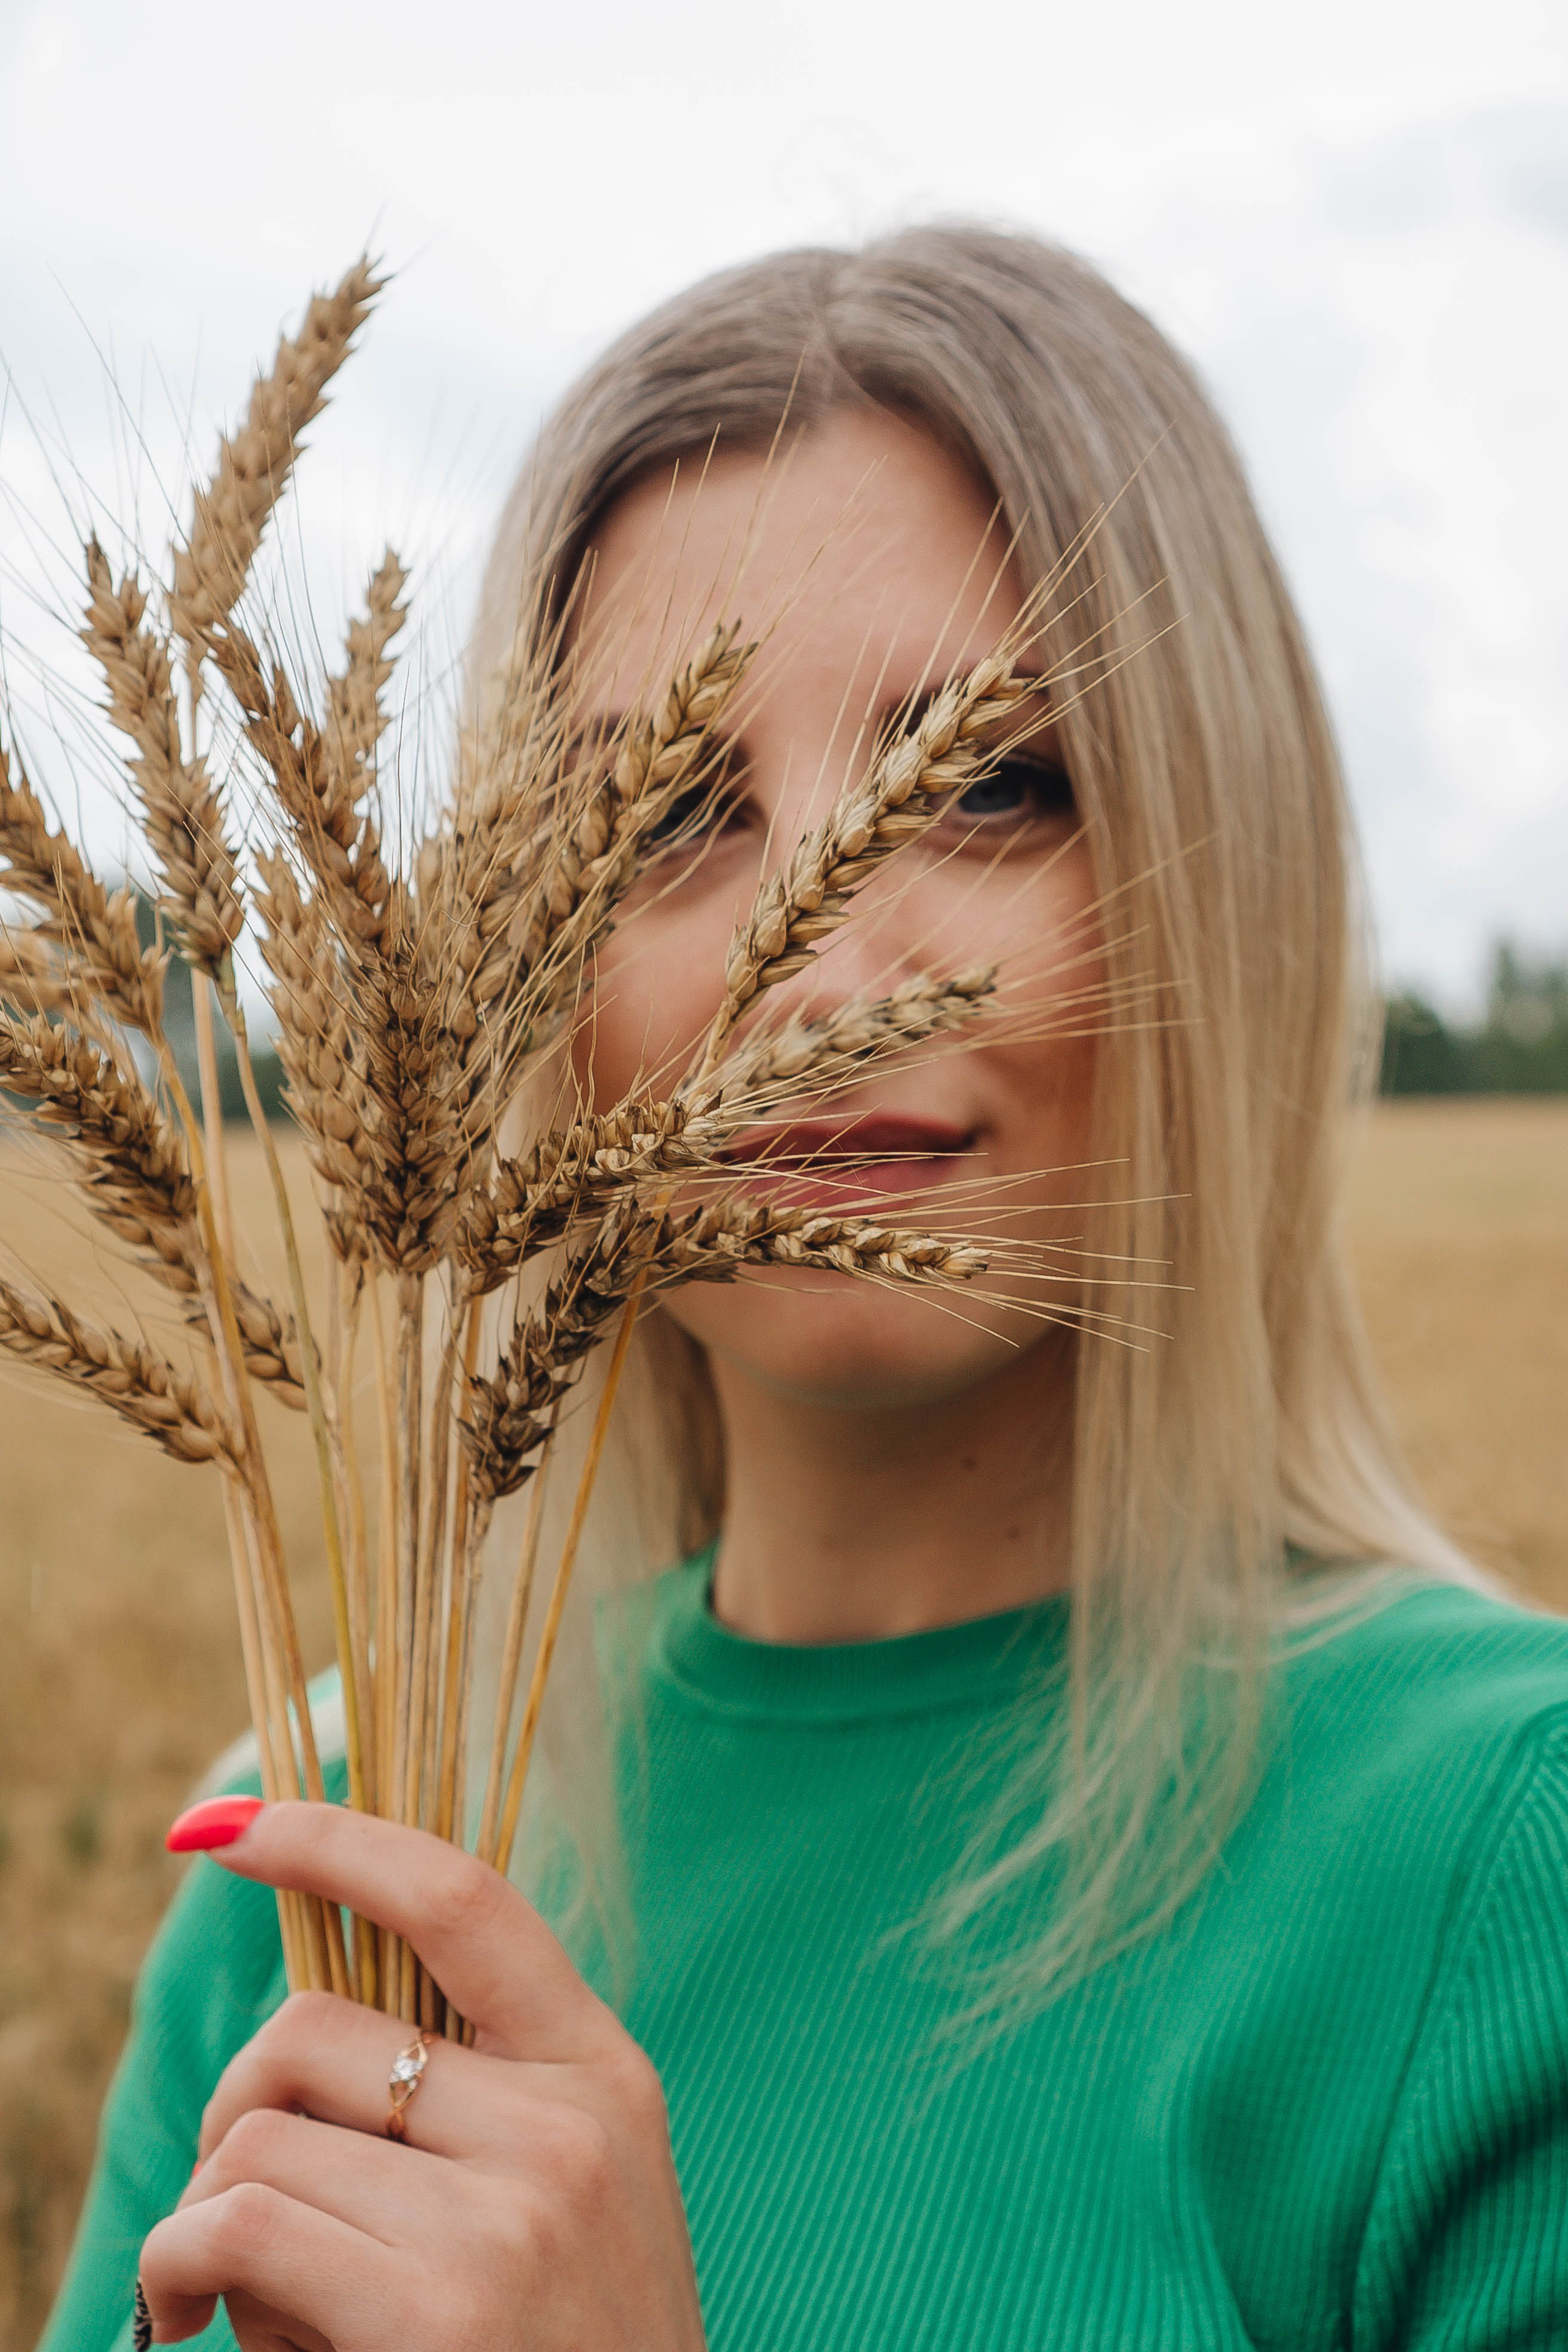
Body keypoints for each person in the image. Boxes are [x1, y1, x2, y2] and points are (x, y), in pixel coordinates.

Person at [43, 225, 1568, 2352]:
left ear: (1223, 876)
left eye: (994, 785)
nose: (822, 969)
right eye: (672, 811)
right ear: (517, 963)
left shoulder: (1517, 1868)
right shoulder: (333, 1854)